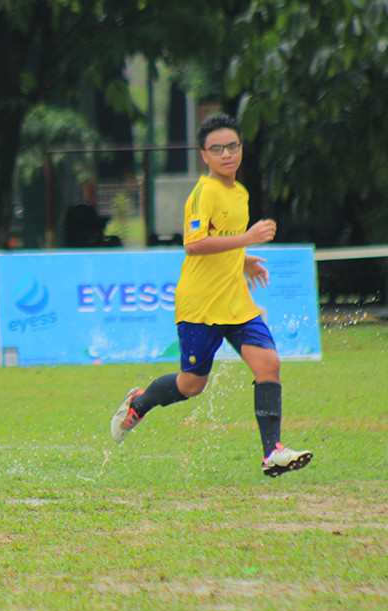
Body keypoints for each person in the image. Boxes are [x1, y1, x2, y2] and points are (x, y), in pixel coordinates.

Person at [110, 113, 313, 478]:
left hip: (236, 302)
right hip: (201, 305)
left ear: (240, 149)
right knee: (191, 385)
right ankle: (139, 403)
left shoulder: (241, 194)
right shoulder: (203, 192)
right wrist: (246, 241)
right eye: (216, 149)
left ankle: (273, 451)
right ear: (204, 155)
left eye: (232, 147)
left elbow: (226, 241)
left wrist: (244, 259)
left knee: (269, 365)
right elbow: (194, 244)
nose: (226, 154)